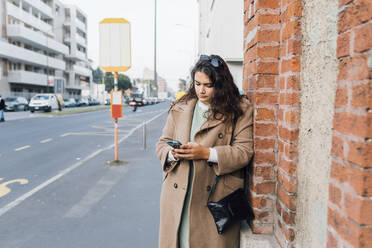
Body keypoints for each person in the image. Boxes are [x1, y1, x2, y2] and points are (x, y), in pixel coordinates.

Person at [156, 54, 254, 248]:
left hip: (215, 197)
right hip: (178, 195)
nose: (201, 90)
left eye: (207, 85)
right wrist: (171, 153)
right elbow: (162, 143)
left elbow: (244, 151)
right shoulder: (180, 107)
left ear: (221, 84)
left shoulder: (239, 109)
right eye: (197, 83)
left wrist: (206, 153)